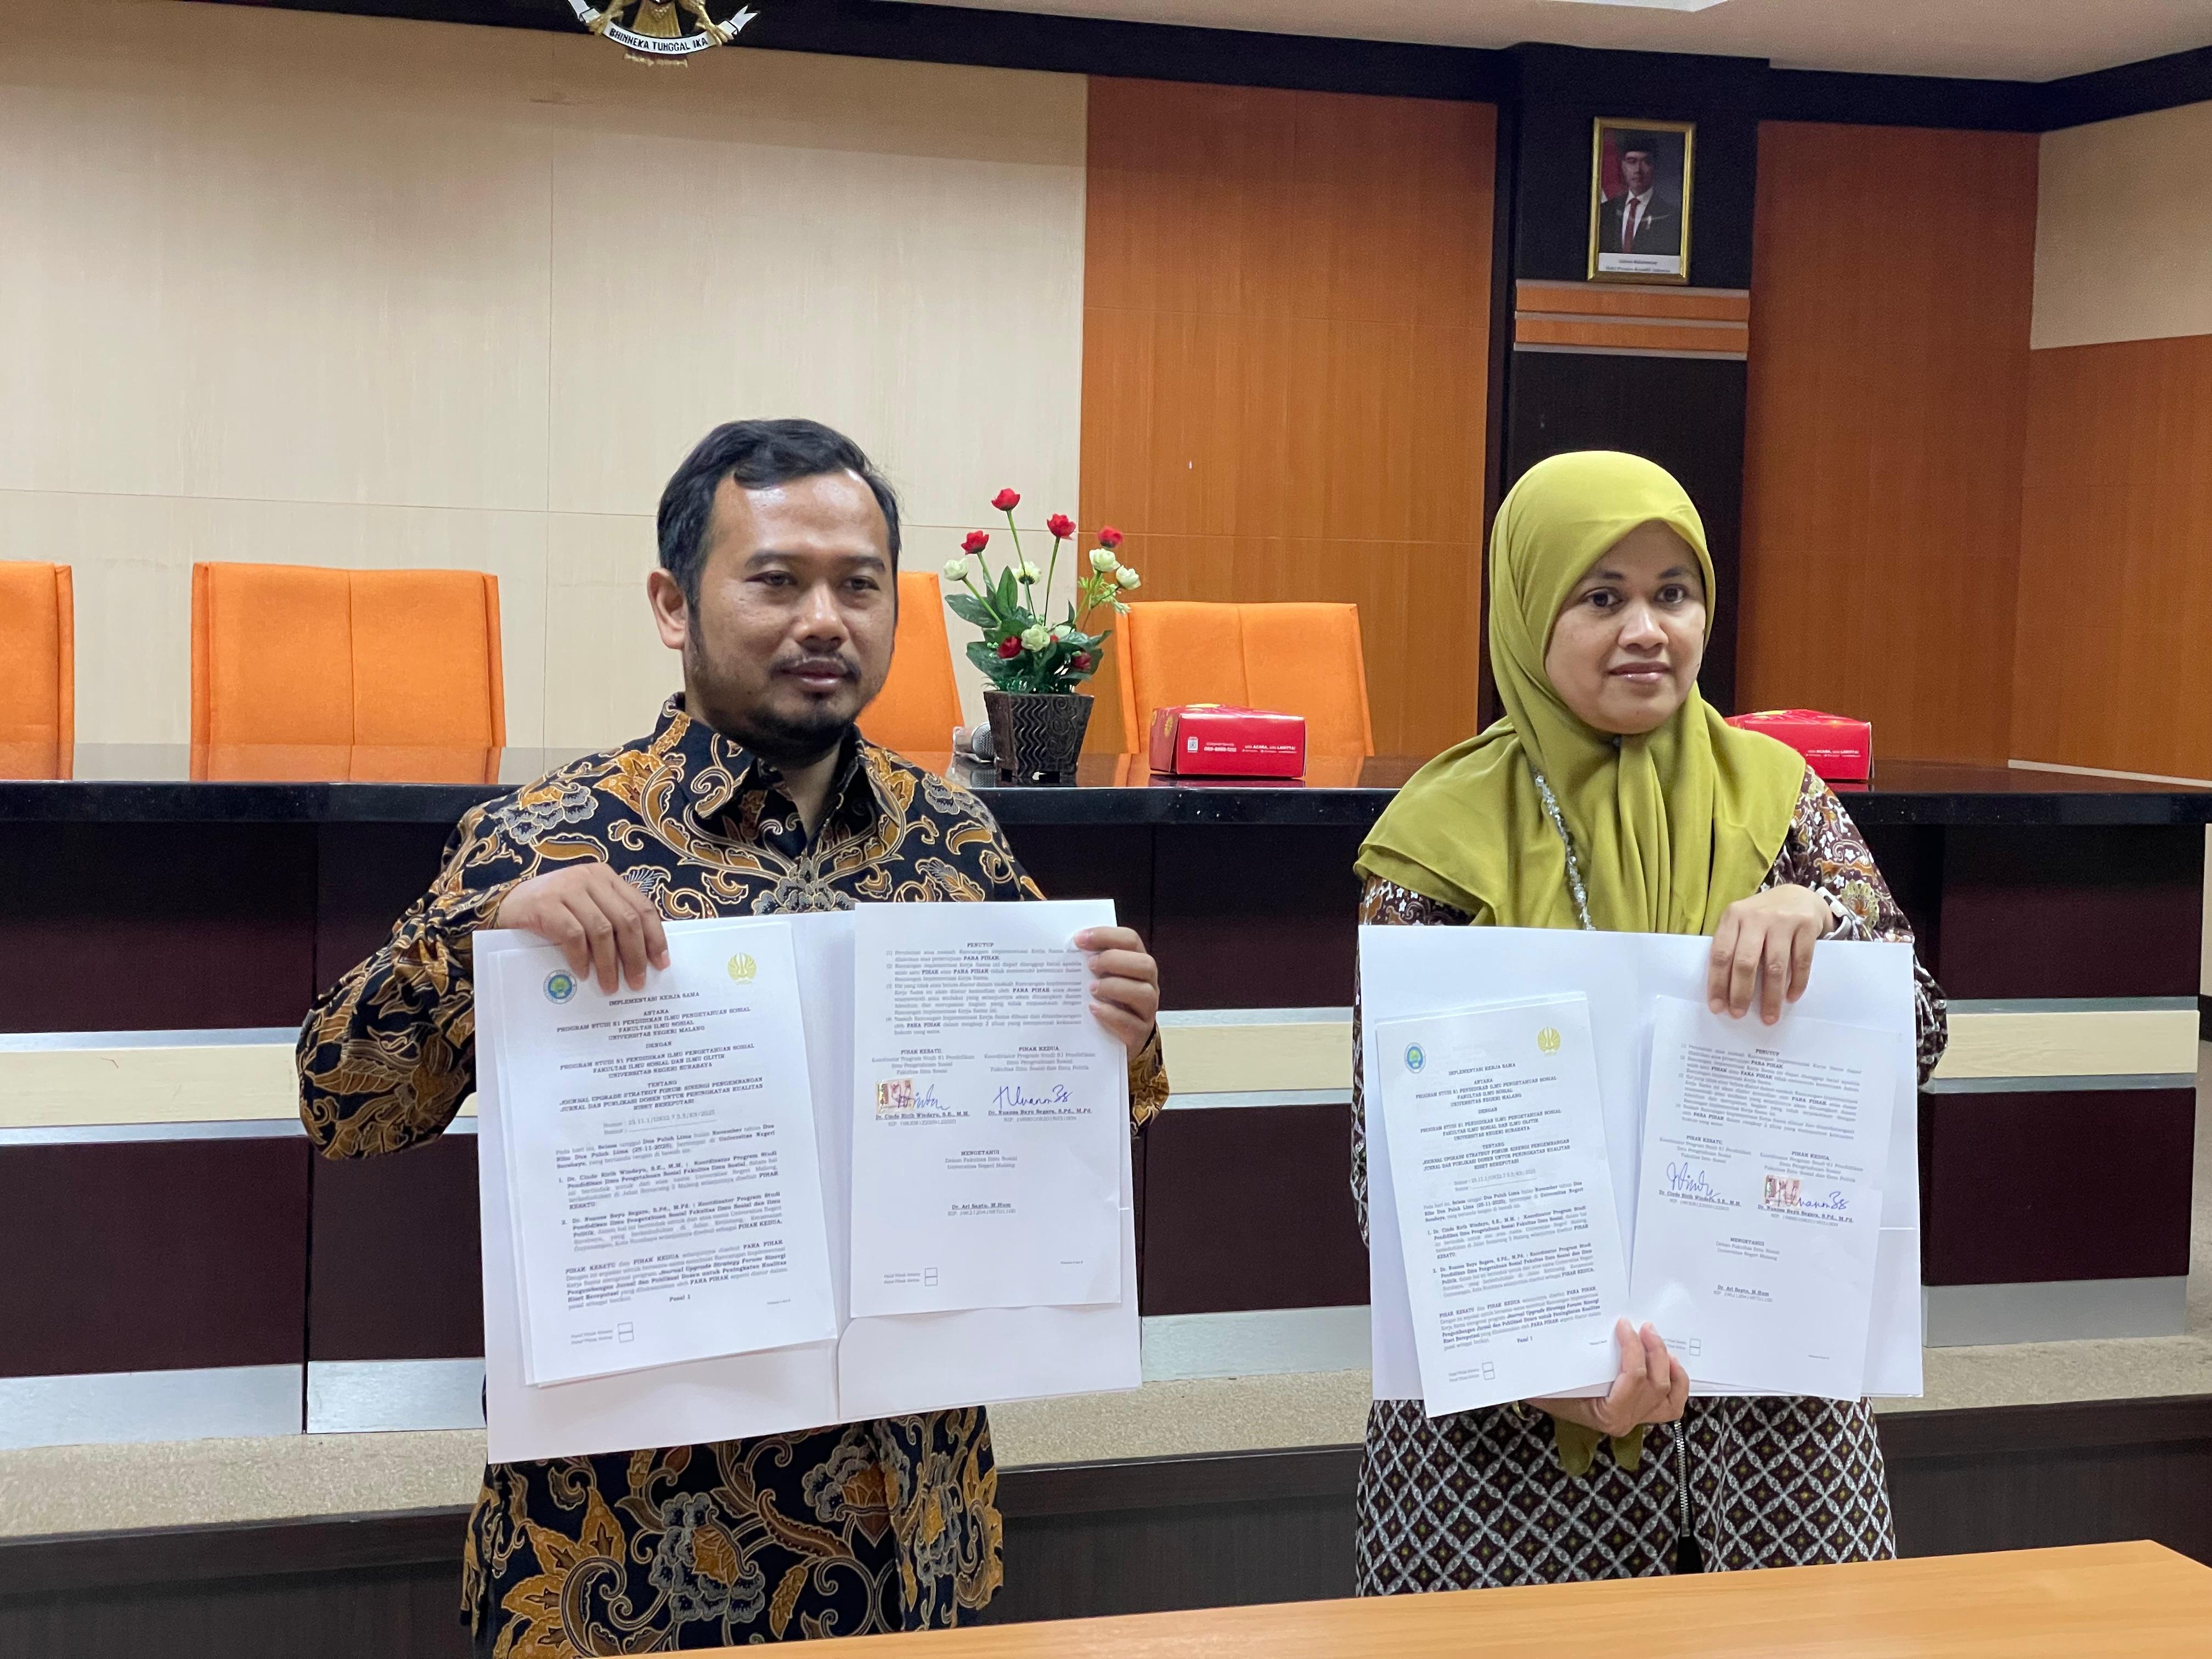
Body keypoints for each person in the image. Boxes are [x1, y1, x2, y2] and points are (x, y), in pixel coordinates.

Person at [297, 419, 1168, 1652]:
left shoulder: (956, 838)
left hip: (912, 1534)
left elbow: (1087, 1127)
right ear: (673, 604)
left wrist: (1117, 1032)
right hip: (626, 1557)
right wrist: (474, 945)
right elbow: (342, 1109)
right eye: (776, 580)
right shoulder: (549, 838)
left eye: (860, 584)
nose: (825, 620)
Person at [1348, 450, 1946, 1589]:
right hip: (1508, 1460)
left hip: (1777, 1444)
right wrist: (1550, 1369)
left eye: (1674, 593)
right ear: (1528, 610)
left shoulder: (1780, 796)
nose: (1646, 630)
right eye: (1600, 595)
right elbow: (1387, 1179)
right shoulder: (1439, 835)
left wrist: (1824, 919)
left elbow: (1917, 1030)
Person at [1597, 132, 1681, 257]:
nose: (1638, 170)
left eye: (1646, 162)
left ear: (1655, 166)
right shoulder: (1605, 211)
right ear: (1623, 166)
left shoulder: (1670, 216)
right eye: (1632, 162)